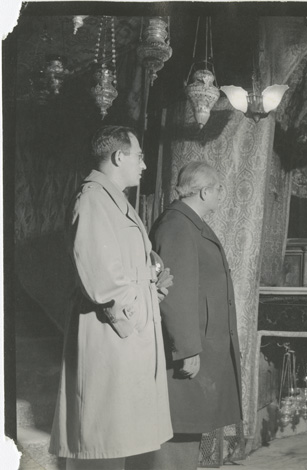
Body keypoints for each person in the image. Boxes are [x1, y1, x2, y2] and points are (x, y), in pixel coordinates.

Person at [49, 125, 174, 470]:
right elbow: (102, 278)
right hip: (112, 334)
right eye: (140, 157)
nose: (144, 166)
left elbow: (128, 266)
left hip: (125, 337)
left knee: (120, 438)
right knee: (103, 440)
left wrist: (153, 281)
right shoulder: (92, 199)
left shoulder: (114, 201)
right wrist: (135, 317)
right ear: (119, 156)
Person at [145, 161, 243, 470]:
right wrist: (186, 349)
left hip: (199, 343)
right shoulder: (177, 225)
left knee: (188, 424)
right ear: (202, 191)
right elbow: (174, 293)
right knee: (179, 426)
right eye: (217, 189)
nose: (220, 195)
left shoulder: (188, 223)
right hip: (188, 347)